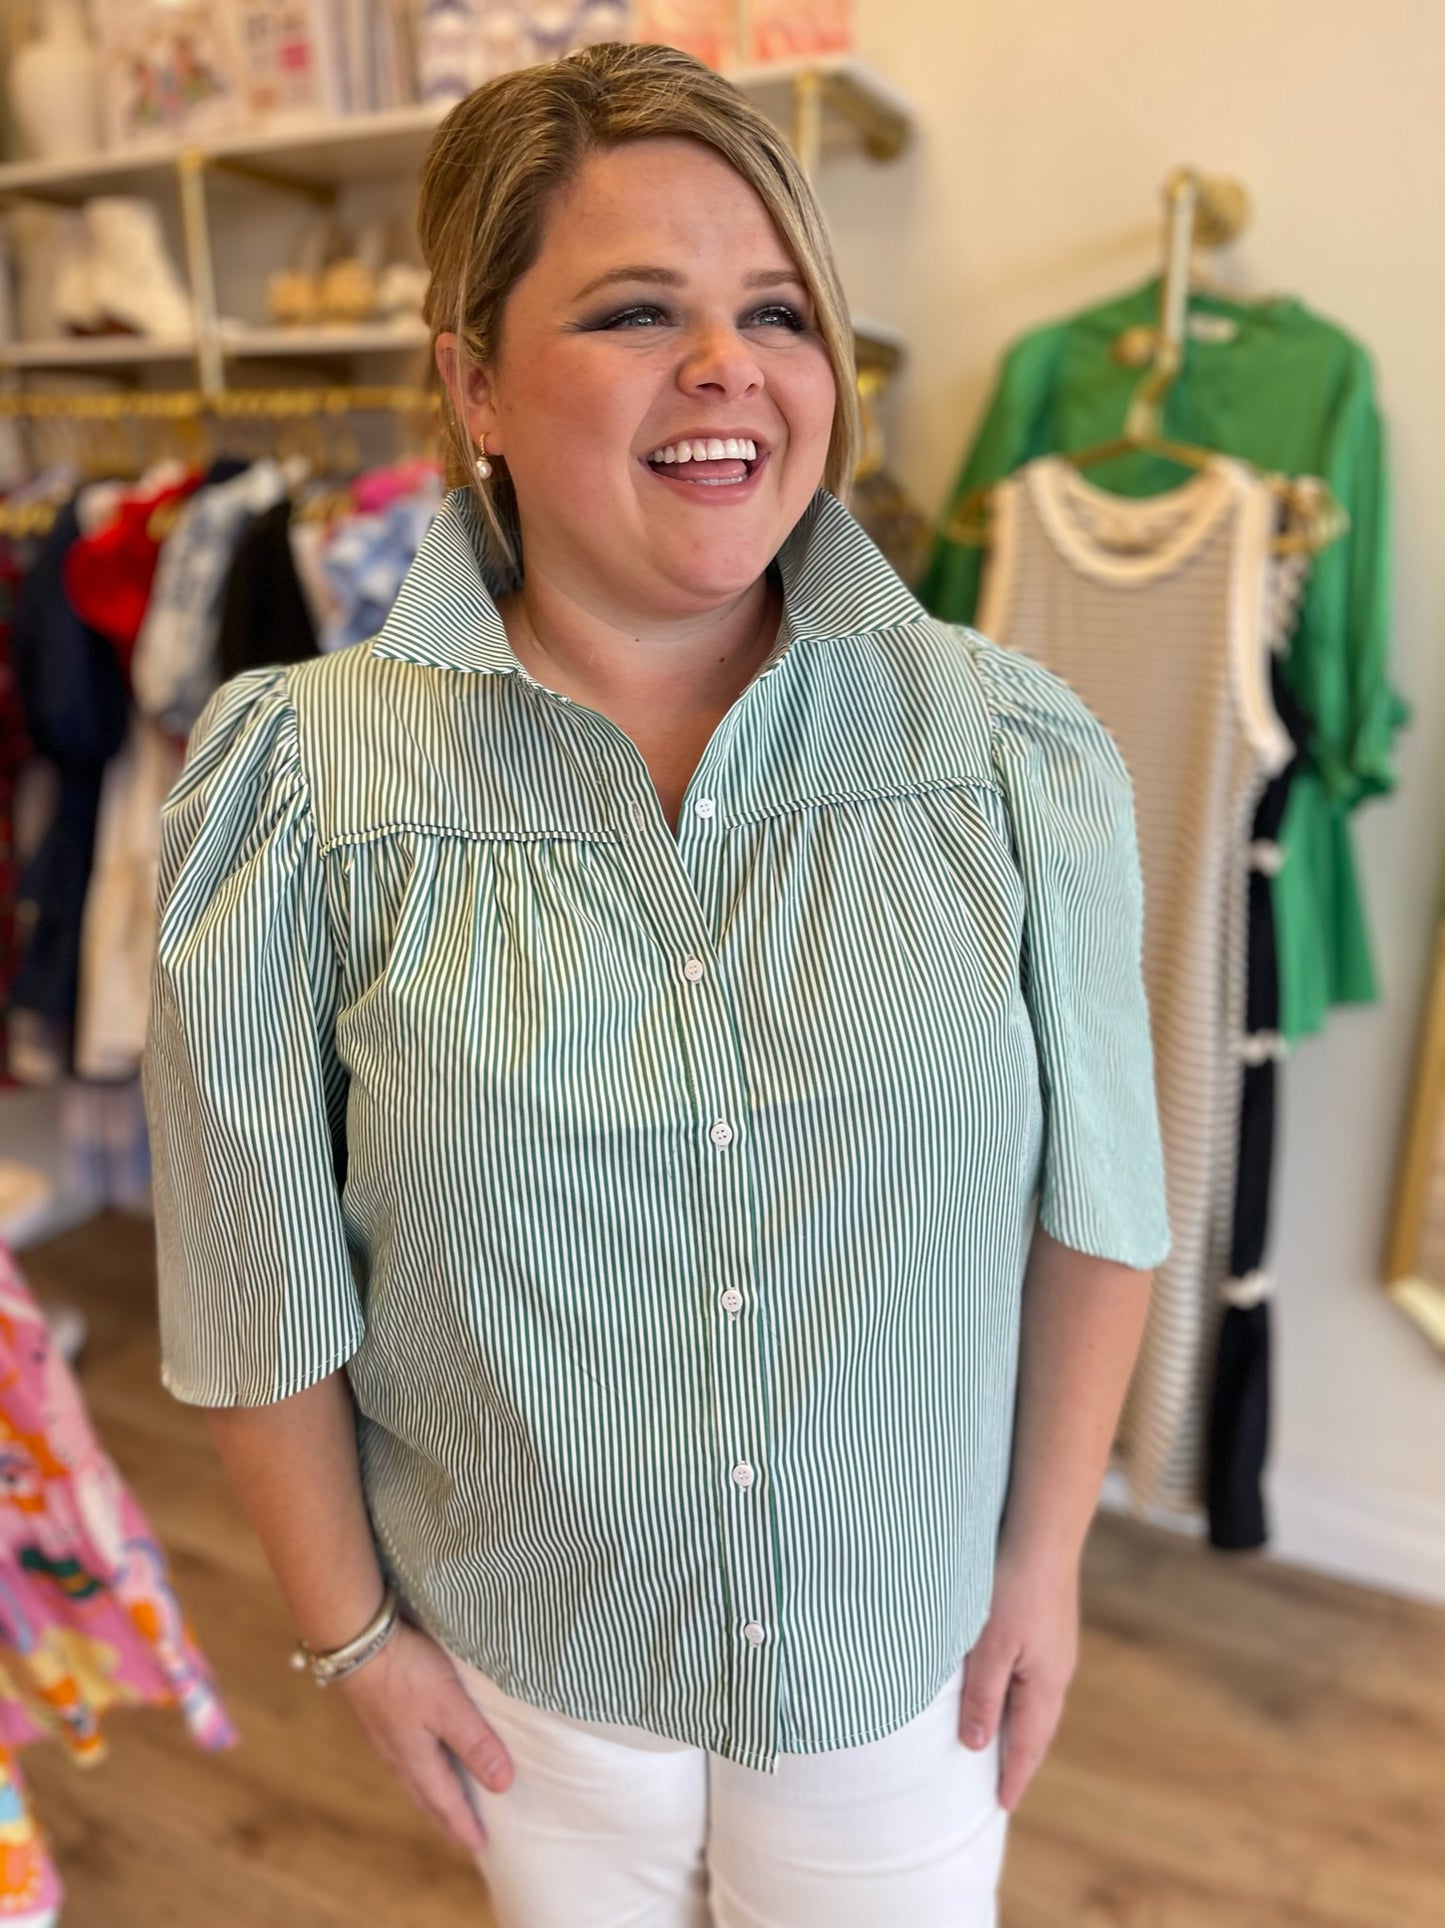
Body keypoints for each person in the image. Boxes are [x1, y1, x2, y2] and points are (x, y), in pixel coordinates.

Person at [142, 40, 1170, 1928]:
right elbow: (254, 1280)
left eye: (776, 310)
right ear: (472, 382)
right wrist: (349, 1638)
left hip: (902, 1670)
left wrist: (1042, 1563)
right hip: (535, 1676)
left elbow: (1097, 1200)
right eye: (634, 311)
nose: (728, 368)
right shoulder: (297, 786)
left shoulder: (1009, 749)